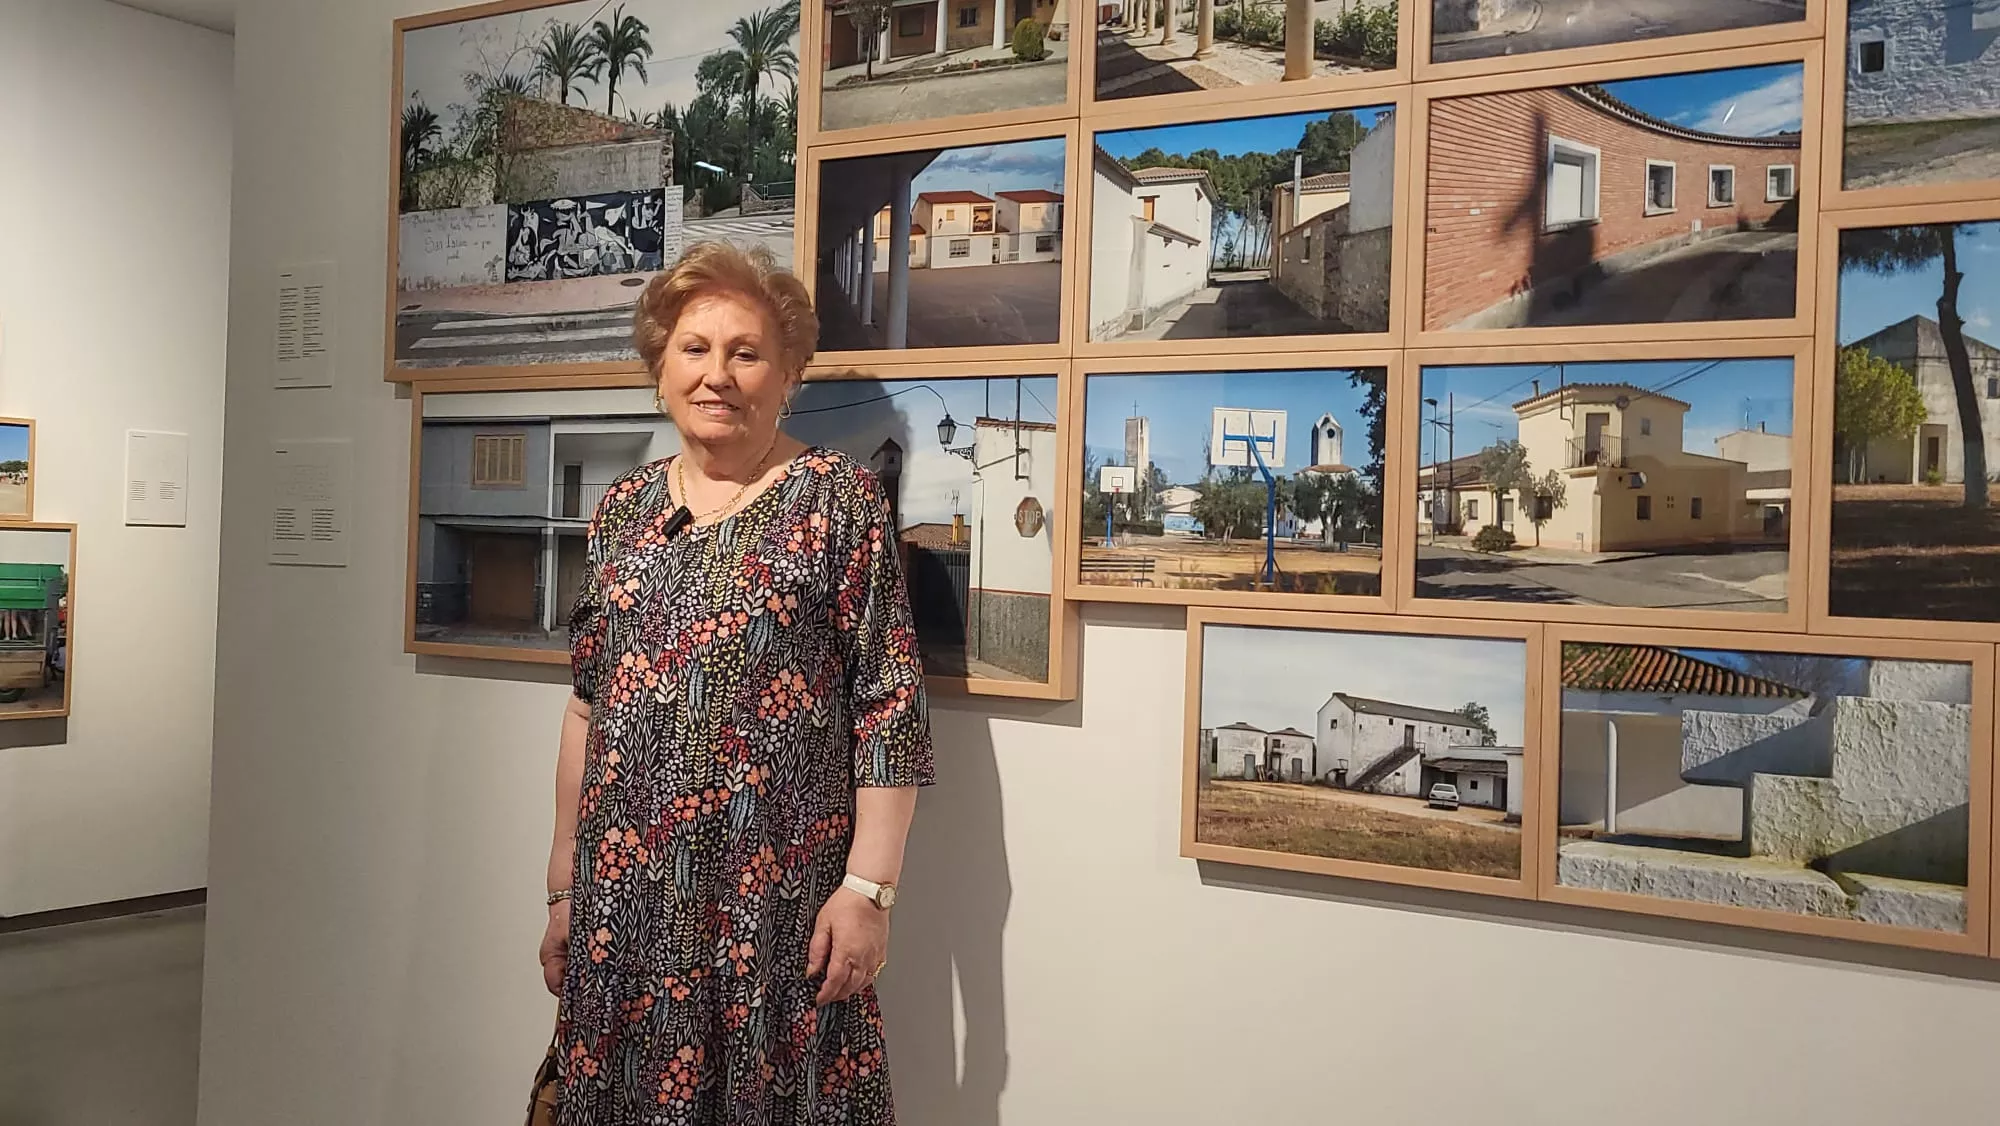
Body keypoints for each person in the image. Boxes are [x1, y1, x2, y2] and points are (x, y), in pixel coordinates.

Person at [540, 240, 935, 1125]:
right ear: (661, 368)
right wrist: (565, 885)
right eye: (694, 349)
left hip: (776, 913)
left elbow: (890, 711)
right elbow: (585, 705)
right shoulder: (624, 510)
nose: (717, 374)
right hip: (628, 908)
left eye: (745, 352)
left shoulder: (837, 503)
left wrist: (870, 892)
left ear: (787, 373)